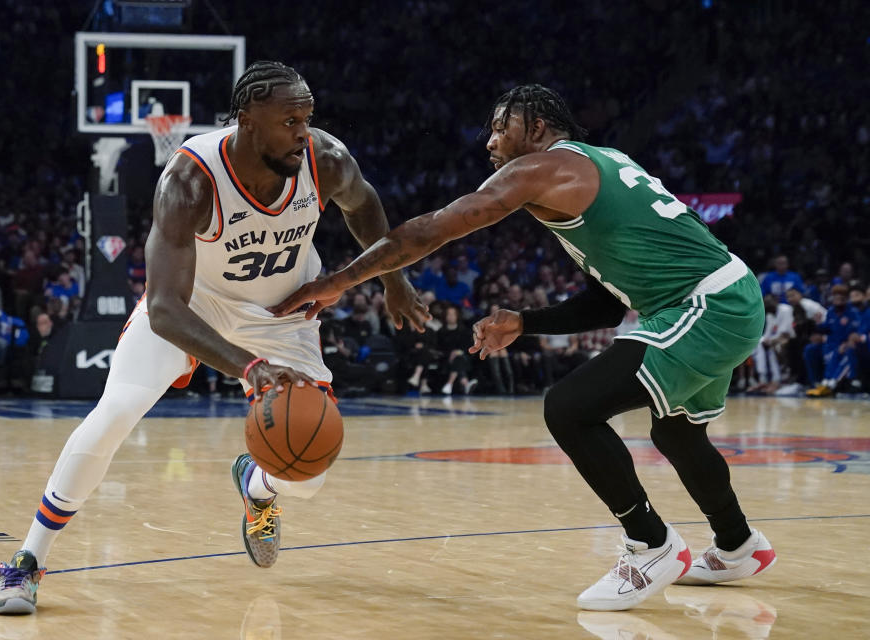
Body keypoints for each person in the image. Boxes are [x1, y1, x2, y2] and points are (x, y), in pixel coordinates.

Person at [272, 84, 776, 611]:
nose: (489, 141)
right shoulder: (599, 163)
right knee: (676, 432)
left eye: (500, 127)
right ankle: (738, 545)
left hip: (705, 306)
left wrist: (341, 280)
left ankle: (651, 544)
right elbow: (606, 305)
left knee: (569, 408)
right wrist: (524, 321)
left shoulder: (541, 170)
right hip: (725, 298)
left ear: (535, 126)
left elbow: (435, 229)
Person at [0, 61, 428, 615]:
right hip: (193, 303)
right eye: (289, 119)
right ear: (246, 120)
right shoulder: (190, 179)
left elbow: (364, 207)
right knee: (115, 412)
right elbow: (166, 309)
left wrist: (392, 279)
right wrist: (248, 367)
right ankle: (27, 561)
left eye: (307, 118)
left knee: (307, 474)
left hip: (280, 315)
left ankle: (258, 486)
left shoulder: (326, 159)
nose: (301, 132)